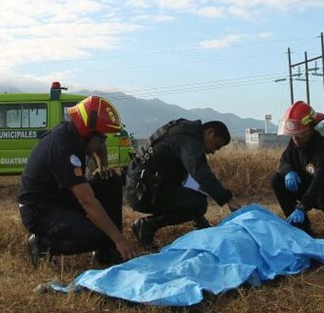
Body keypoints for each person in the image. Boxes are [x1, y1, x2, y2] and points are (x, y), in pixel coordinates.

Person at [17, 95, 140, 267]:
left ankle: (107, 251)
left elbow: (100, 147)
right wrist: (120, 239)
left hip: (61, 198)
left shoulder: (77, 135)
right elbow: (86, 200)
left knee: (110, 179)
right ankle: (42, 245)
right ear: (88, 133)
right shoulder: (63, 147)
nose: (102, 143)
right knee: (96, 234)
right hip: (39, 211)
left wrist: (102, 166)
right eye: (100, 138)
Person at [125, 118, 241, 248]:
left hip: (143, 187)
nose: (213, 151)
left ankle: (201, 223)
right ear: (210, 132)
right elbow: (200, 172)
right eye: (217, 145)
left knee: (194, 194)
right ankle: (148, 225)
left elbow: (194, 178)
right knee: (199, 203)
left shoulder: (183, 132)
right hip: (142, 192)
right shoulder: (188, 140)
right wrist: (227, 199)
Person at [269, 101, 324, 241]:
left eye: (299, 135)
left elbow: (321, 181)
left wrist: (302, 207)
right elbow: (284, 161)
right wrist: (288, 172)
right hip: (308, 186)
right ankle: (302, 228)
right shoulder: (295, 142)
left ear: (310, 127)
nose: (295, 139)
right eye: (293, 136)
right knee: (276, 180)